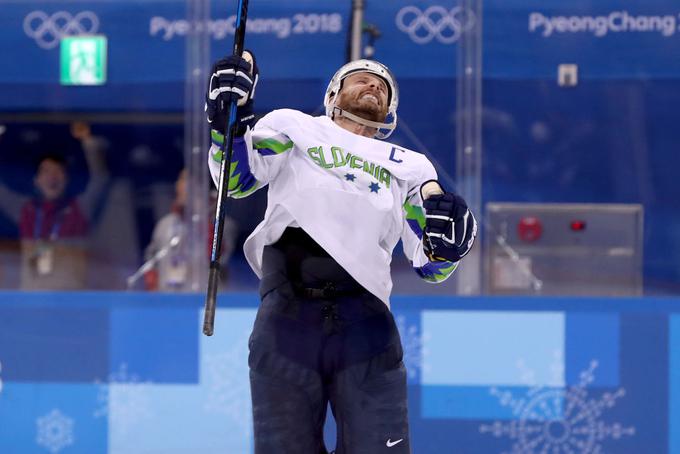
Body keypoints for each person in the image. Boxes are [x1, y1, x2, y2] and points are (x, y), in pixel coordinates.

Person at [205, 53, 477, 453]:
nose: (373, 86)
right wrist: (227, 117)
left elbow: (429, 264)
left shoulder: (413, 167)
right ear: (333, 94)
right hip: (286, 321)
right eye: (362, 79)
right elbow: (236, 181)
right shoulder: (291, 126)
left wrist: (449, 248)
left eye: (382, 88)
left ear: (390, 112)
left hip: (366, 330)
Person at [141, 168, 236, 291]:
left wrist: (203, 214)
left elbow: (219, 257)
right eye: (180, 179)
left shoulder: (223, 224)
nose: (178, 185)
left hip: (206, 302)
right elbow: (151, 261)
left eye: (184, 179)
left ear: (201, 187)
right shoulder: (165, 224)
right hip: (169, 301)